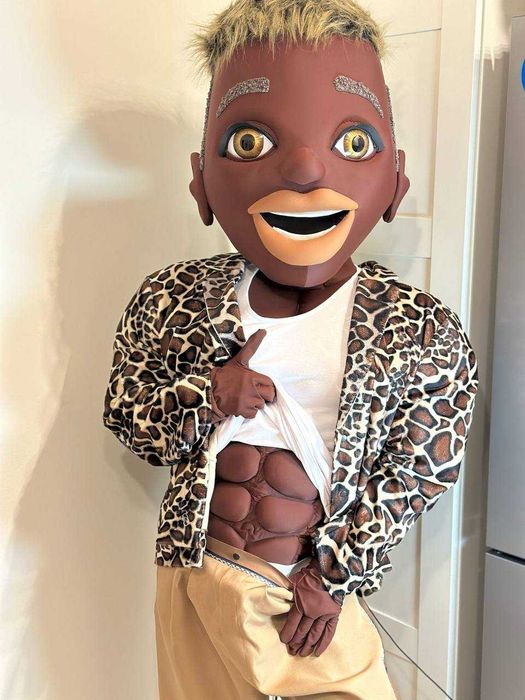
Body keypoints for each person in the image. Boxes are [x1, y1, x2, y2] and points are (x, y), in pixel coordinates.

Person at [102, 1, 479, 698]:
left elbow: (423, 469)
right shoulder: (174, 299)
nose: (305, 169)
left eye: (353, 142)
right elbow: (128, 419)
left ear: (395, 179)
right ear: (201, 180)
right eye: (249, 142)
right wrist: (206, 397)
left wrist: (336, 574)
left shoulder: (419, 329)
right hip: (196, 576)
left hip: (311, 601)